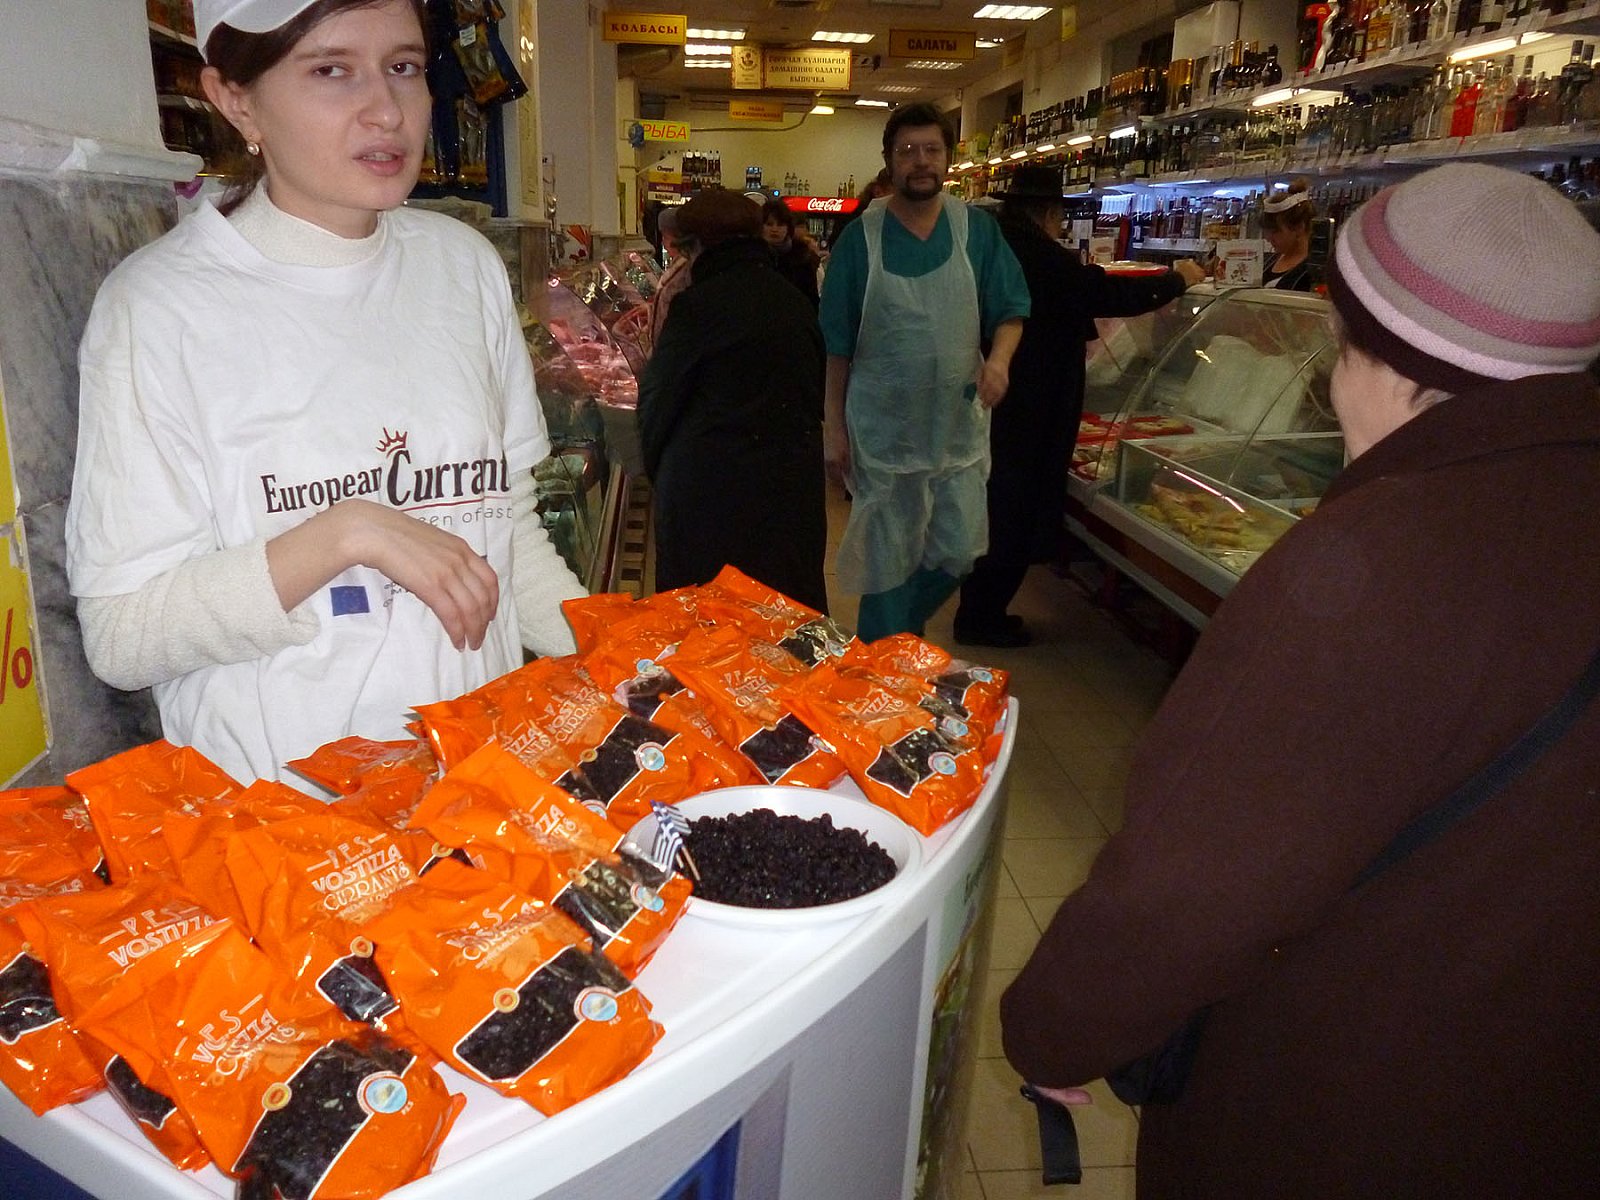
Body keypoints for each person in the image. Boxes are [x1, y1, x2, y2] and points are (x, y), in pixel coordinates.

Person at [1000, 162, 1600, 1197]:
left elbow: (1196, 883)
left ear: (1391, 364)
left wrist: (1055, 1031)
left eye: (1341, 342)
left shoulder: (1375, 566)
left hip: (1348, 1113)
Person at [64, 0, 585, 786]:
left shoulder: (462, 267)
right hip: (289, 815)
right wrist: (346, 534)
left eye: (403, 67)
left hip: (476, 789)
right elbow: (123, 634)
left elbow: (503, 528)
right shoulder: (160, 309)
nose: (387, 110)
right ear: (236, 100)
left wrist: (626, 662)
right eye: (332, 70)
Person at [953, 165, 1207, 647]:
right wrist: (1176, 281)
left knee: (996, 503)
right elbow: (1104, 293)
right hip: (1028, 403)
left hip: (998, 399)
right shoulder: (1040, 256)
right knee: (1011, 508)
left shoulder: (997, 245)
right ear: (1049, 213)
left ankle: (980, 609)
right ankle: (981, 617)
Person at [818, 103, 1029, 642]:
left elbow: (1010, 308)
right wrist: (833, 427)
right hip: (885, 434)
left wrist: (999, 361)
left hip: (956, 428)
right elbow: (837, 347)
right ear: (889, 160)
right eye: (908, 150)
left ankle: (898, 637)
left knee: (958, 551)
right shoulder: (861, 239)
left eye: (931, 149)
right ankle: (881, 665)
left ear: (948, 158)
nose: (920, 161)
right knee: (888, 562)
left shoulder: (976, 231)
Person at [638, 190, 828, 613]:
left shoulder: (696, 307)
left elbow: (658, 400)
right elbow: (813, 391)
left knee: (709, 623)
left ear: (698, 248)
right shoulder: (794, 303)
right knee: (778, 617)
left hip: (709, 495)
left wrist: (657, 472)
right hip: (790, 492)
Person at [1257, 177, 1318, 290]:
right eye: (1267, 232)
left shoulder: (1314, 271)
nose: (1268, 238)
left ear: (1299, 228)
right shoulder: (1269, 260)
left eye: (1275, 231)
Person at [759, 198, 821, 307]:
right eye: (769, 224)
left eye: (780, 224)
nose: (775, 229)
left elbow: (811, 298)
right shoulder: (753, 257)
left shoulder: (802, 258)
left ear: (788, 228)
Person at [648, 203, 694, 347]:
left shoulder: (687, 267)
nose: (663, 242)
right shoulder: (680, 263)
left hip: (674, 346)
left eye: (665, 237)